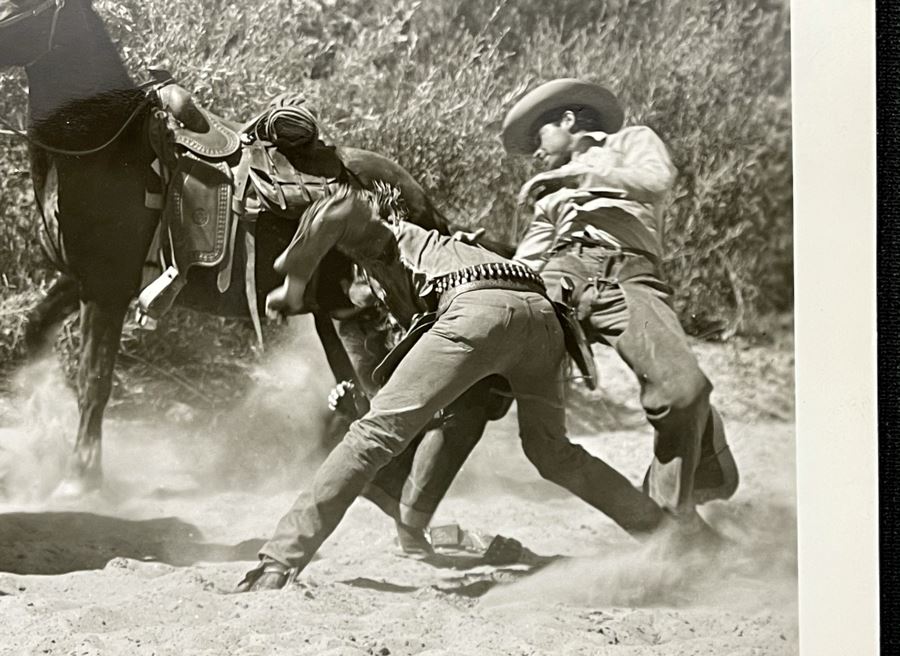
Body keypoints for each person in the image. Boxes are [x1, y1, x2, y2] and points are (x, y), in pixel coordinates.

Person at [236, 186, 672, 591]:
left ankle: (279, 560)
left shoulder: (388, 232)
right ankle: (665, 533)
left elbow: (339, 207)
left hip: (479, 310)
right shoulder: (449, 250)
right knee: (551, 450)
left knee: (372, 436)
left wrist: (291, 287)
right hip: (541, 320)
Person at [502, 78, 739, 519]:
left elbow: (657, 180)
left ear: (568, 120)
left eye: (540, 138)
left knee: (684, 391)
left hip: (629, 274)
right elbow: (527, 262)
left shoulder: (631, 141)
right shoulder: (548, 194)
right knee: (500, 368)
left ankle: (671, 516)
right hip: (562, 276)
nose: (536, 153)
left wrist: (574, 174)